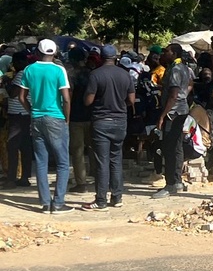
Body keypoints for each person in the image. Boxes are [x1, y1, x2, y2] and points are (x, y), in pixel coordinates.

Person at [19, 39, 72, 214]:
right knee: (63, 162)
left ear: (38, 52)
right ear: (54, 52)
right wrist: (67, 119)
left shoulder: (29, 69)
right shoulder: (58, 70)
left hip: (37, 117)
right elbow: (65, 98)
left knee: (41, 161)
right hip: (56, 117)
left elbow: (21, 97)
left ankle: (44, 203)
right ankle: (58, 203)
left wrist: (32, 111)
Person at [82, 45, 135, 210]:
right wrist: (120, 105)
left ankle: (101, 200)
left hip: (101, 121)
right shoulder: (125, 75)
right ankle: (117, 197)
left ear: (100, 58)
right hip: (120, 121)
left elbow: (88, 101)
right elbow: (131, 100)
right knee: (116, 159)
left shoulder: (95, 75)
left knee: (101, 162)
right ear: (116, 57)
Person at [152, 43, 191, 199]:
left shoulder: (175, 69)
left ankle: (170, 184)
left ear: (174, 53)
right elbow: (188, 86)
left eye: (167, 51)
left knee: (168, 148)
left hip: (173, 113)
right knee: (177, 147)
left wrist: (163, 115)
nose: (164, 53)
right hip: (181, 110)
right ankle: (177, 181)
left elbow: (174, 94)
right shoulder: (183, 67)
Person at [66, 47, 95, 193]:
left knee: (77, 151)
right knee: (95, 148)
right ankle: (99, 177)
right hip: (92, 116)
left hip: (76, 117)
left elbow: (68, 96)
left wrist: (67, 115)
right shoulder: (92, 74)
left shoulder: (70, 75)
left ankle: (81, 183)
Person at [5, 51, 33, 188]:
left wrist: (6, 83)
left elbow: (13, 94)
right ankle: (25, 177)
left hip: (19, 114)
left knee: (12, 146)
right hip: (26, 114)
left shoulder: (21, 74)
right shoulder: (29, 72)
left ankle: (11, 178)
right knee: (25, 146)